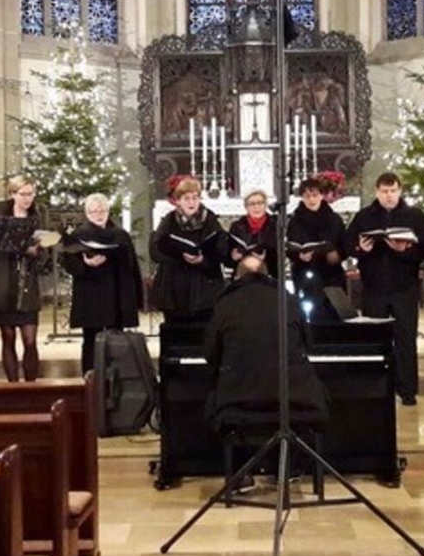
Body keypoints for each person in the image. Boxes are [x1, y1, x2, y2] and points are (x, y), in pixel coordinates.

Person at [203, 255, 328, 432]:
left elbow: (210, 355)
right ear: (268, 276)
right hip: (294, 399)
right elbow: (309, 345)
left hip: (239, 401)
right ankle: (302, 457)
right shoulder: (289, 300)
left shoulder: (225, 303)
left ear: (237, 278)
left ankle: (235, 458)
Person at [343, 172, 424, 406]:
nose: (389, 196)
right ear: (377, 192)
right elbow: (348, 244)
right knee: (375, 337)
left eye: (393, 191)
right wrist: (360, 248)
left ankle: (408, 389)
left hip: (404, 286)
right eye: (384, 192)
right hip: (374, 287)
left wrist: (405, 250)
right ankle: (378, 387)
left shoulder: (413, 215)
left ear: (400, 191)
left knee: (406, 338)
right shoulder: (364, 216)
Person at [62, 193, 144, 374]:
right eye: (94, 211)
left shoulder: (120, 235)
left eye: (102, 210)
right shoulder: (78, 235)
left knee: (117, 341)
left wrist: (136, 298)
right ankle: (90, 380)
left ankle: (117, 379)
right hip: (91, 295)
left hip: (116, 292)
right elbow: (69, 264)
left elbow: (132, 267)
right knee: (91, 340)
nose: (99, 215)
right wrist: (85, 264)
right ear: (86, 212)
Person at [0, 176, 45, 382]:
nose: (28, 199)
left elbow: (44, 255)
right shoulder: (1, 214)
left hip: (26, 284)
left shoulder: (37, 215)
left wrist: (38, 251)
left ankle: (31, 386)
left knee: (30, 340)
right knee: (8, 339)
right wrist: (20, 247)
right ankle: (13, 387)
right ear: (13, 194)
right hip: (4, 283)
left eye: (31, 194)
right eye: (23, 194)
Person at [150, 177, 228, 324]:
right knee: (176, 335)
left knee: (203, 334)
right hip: (174, 288)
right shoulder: (169, 220)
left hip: (203, 288)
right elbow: (155, 250)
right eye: (186, 198)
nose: (192, 202)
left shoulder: (210, 220)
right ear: (178, 200)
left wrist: (202, 259)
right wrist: (179, 256)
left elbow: (221, 251)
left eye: (195, 197)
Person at [286, 178, 346, 322]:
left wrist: (338, 254)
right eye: (307, 196)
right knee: (309, 316)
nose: (311, 199)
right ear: (301, 197)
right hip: (305, 274)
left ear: (321, 195)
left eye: (314, 195)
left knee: (333, 315)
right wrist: (299, 256)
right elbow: (290, 246)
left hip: (331, 274)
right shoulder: (295, 221)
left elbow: (344, 243)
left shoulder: (334, 219)